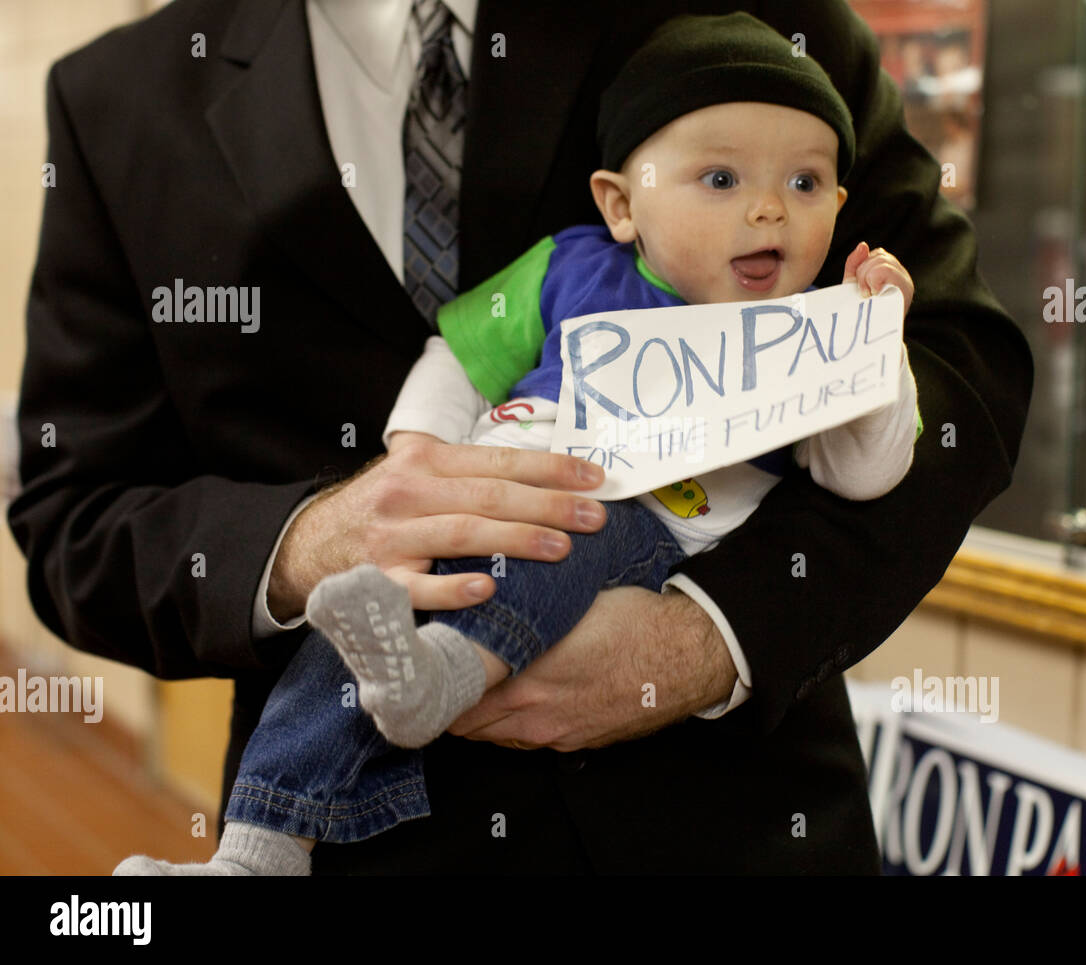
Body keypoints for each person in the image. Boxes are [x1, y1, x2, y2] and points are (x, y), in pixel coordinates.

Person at [9, 0, 1032, 874]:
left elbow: (958, 357)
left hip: (726, 828)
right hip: (342, 840)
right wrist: (311, 545)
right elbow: (78, 516)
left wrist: (709, 637)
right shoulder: (121, 100)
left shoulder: (757, 15)